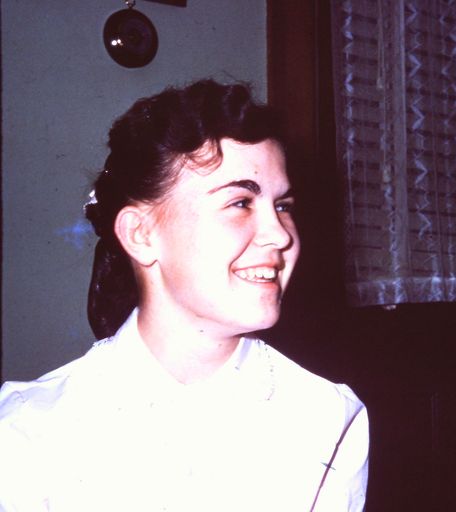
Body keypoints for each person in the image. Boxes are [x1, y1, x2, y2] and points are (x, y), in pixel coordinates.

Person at [0, 80, 368, 511]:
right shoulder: (28, 429)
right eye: (240, 203)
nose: (280, 235)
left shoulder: (329, 417)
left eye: (283, 206)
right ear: (141, 234)